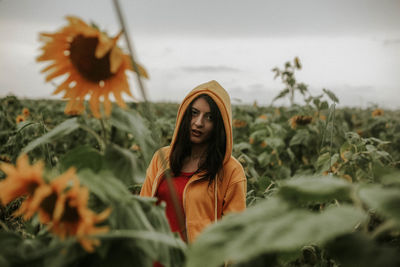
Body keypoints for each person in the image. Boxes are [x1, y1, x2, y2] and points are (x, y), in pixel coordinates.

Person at [140, 80, 246, 243]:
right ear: (184, 115)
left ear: (220, 124)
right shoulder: (161, 158)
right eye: (194, 113)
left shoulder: (231, 170)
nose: (198, 123)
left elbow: (234, 234)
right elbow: (142, 211)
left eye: (209, 117)